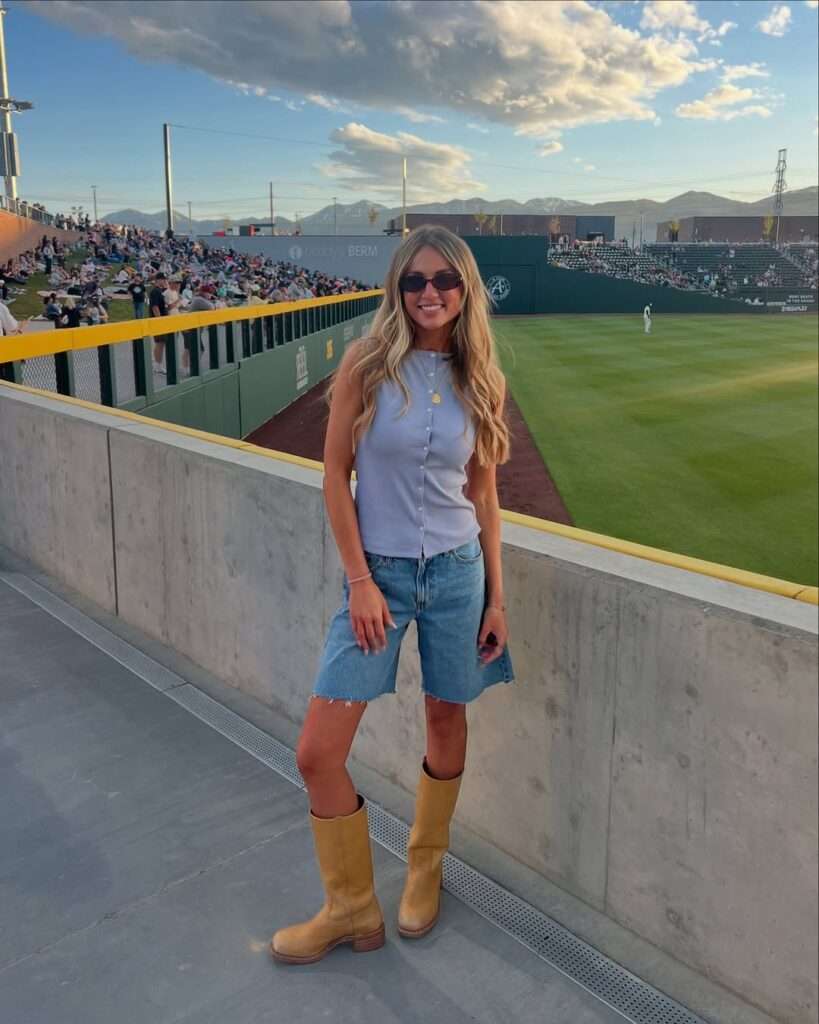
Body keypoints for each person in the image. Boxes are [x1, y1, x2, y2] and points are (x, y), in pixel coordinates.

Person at [269, 225, 514, 965]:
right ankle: (349, 908)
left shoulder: (482, 377)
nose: (429, 293)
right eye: (414, 281)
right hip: (377, 577)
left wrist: (496, 599)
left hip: (457, 572)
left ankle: (424, 867)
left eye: (444, 280)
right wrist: (362, 581)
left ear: (464, 288)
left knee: (445, 716)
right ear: (396, 290)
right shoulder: (366, 365)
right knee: (317, 753)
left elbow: (485, 498)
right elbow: (333, 478)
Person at [149, 273, 169, 373]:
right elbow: (155, 307)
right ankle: (157, 365)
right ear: (158, 280)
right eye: (163, 279)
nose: (165, 281)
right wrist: (159, 320)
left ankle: (158, 363)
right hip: (158, 320)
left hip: (162, 320)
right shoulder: (155, 291)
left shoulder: (161, 291)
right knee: (159, 343)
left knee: (162, 343)